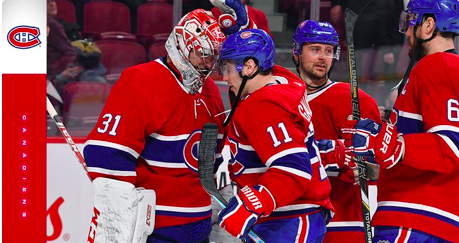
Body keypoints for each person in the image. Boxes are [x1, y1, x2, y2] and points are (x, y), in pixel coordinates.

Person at [83, 0, 254, 241]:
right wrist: (121, 216)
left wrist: (247, 38)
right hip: (156, 227)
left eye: (212, 58)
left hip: (200, 223)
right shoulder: (142, 80)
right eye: (202, 56)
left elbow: (209, 163)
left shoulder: (211, 91)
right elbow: (105, 154)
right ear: (183, 45)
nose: (208, 66)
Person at [342, 0, 459, 242]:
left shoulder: (437, 66)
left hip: (417, 216)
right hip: (429, 218)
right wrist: (379, 136)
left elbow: (450, 147)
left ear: (428, 25)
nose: (406, 32)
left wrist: (395, 145)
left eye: (410, 22)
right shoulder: (445, 68)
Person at [217, 28, 334, 242]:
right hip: (295, 216)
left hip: (289, 221)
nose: (225, 77)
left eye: (229, 68)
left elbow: (293, 169)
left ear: (250, 67)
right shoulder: (283, 83)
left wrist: (249, 205)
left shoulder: (263, 105)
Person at [292, 20, 382, 243]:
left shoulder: (353, 99)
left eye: (328, 51)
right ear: (297, 52)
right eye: (315, 49)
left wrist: (359, 156)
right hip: (296, 220)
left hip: (344, 222)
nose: (323, 57)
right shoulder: (283, 99)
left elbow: (377, 166)